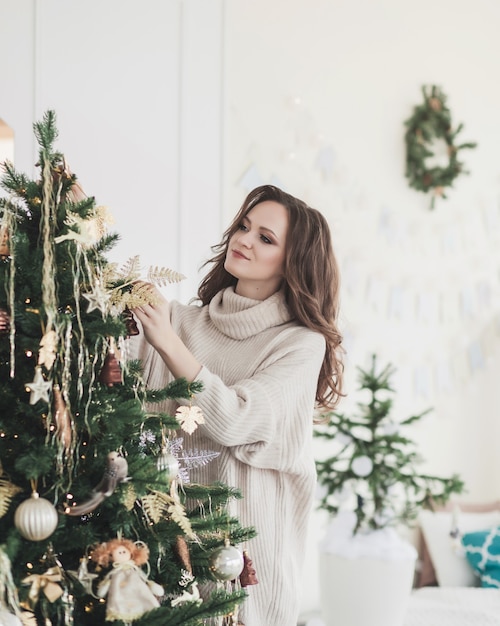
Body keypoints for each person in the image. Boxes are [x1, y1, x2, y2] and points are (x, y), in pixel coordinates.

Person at [129, 184, 344, 626]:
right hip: (164, 545)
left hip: (247, 559)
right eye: (244, 227)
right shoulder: (182, 320)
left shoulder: (301, 344)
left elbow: (235, 420)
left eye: (266, 238)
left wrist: (168, 344)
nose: (243, 239)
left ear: (293, 262)